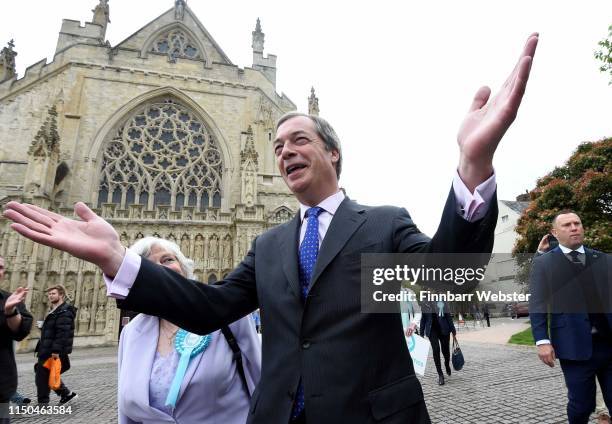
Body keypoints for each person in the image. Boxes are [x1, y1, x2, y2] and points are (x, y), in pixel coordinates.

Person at [4, 33, 539, 424]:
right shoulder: (270, 244)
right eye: (277, 146)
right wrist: (118, 261)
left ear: (333, 152)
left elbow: (447, 280)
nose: (284, 151)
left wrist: (474, 168)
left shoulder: (381, 225)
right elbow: (208, 308)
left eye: (299, 140)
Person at [118, 237, 261, 423]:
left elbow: (260, 382)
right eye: (147, 266)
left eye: (168, 259)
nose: (159, 270)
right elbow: (127, 412)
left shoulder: (230, 318)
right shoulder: (131, 333)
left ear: (184, 267)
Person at [530, 211, 611, 424]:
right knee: (581, 405)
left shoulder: (603, 259)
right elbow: (537, 303)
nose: (574, 227)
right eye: (567, 225)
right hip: (573, 346)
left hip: (609, 344)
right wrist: (542, 340)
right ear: (555, 232)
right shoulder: (544, 263)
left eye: (577, 223)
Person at [0, 255, 33, 424]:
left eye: (0, 267)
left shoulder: (9, 300)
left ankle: (19, 400)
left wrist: (10, 310)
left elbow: (20, 331)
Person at [34, 284, 78, 406]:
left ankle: (43, 403)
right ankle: (66, 394)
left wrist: (56, 351)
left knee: (41, 374)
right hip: (46, 347)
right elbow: (53, 329)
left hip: (53, 350)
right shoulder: (53, 310)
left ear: (61, 295)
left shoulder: (65, 311)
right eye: (49, 294)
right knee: (41, 371)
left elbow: (62, 332)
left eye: (53, 293)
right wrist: (43, 327)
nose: (50, 296)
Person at [419, 301, 457, 385]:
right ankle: (440, 374)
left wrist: (453, 329)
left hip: (444, 329)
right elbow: (423, 318)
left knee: (445, 351)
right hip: (431, 330)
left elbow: (447, 315)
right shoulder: (424, 303)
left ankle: (446, 364)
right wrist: (421, 333)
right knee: (436, 349)